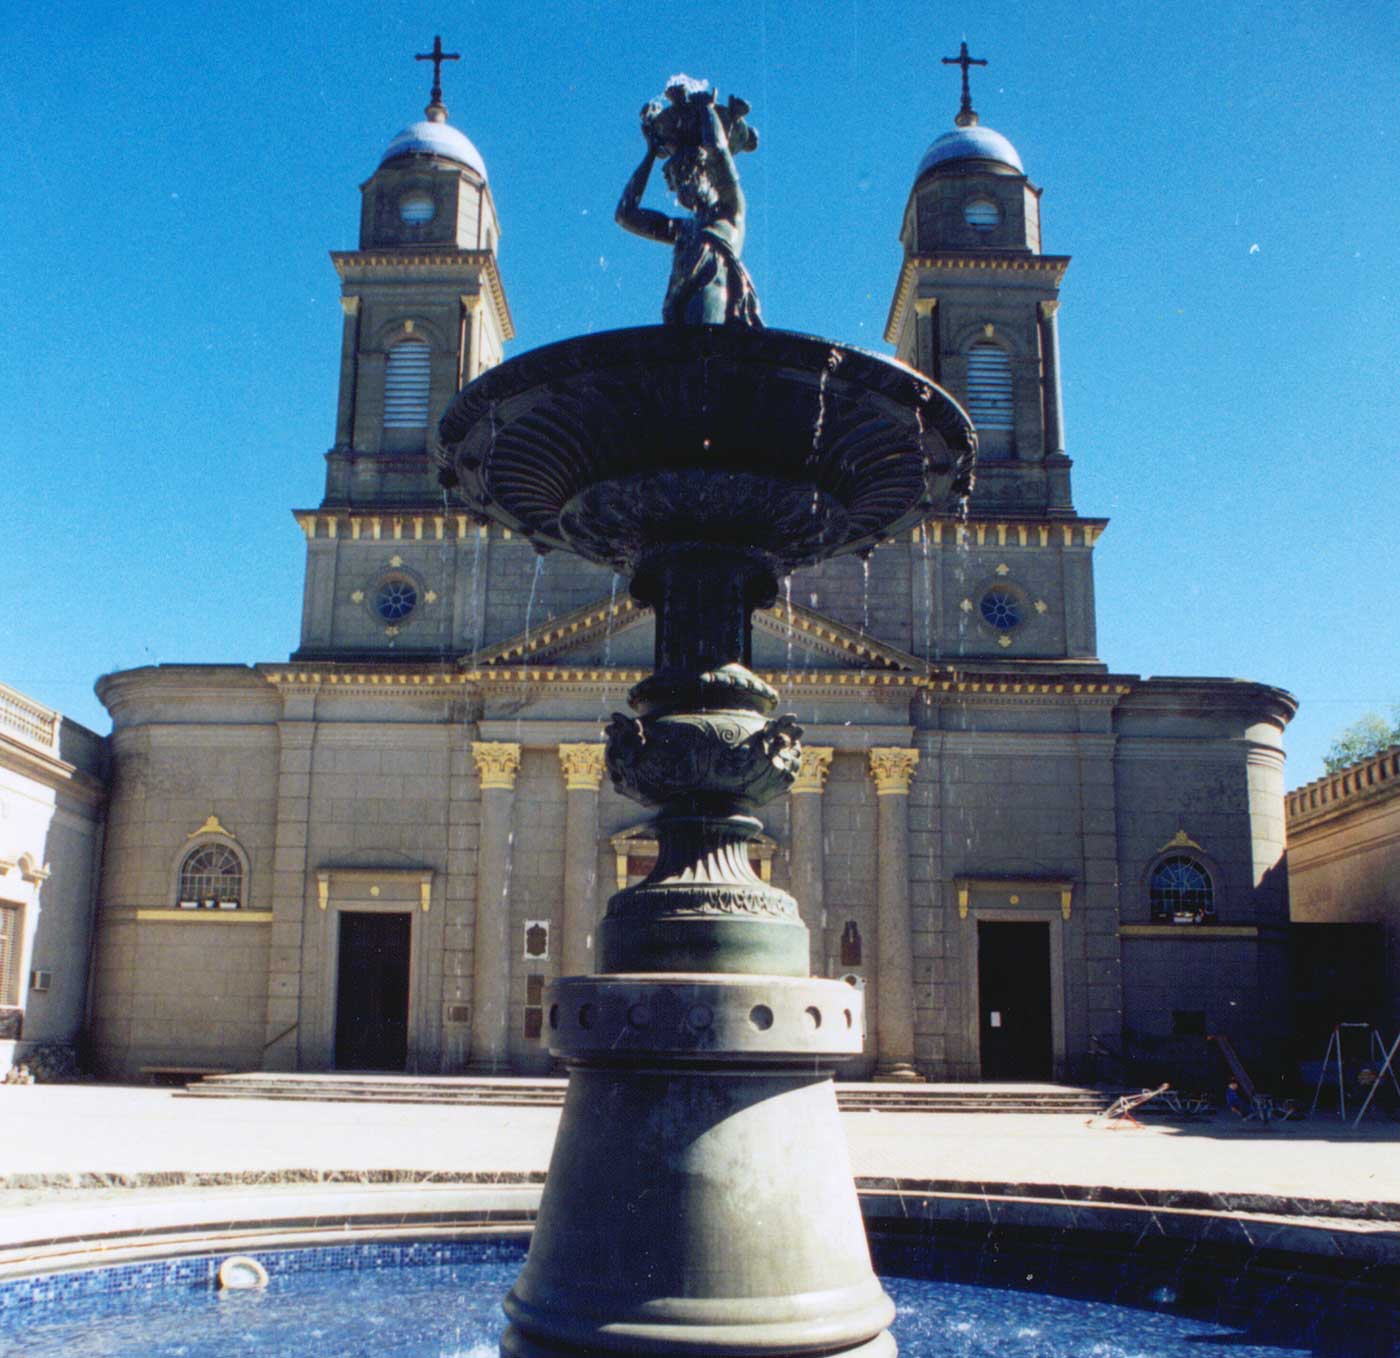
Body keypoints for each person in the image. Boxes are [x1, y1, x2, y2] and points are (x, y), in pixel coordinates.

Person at [616, 84, 763, 329]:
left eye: (686, 176)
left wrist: (706, 109)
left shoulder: (730, 210)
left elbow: (717, 149)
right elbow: (625, 214)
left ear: (707, 175)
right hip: (677, 311)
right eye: (674, 182)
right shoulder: (683, 230)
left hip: (713, 309)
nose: (680, 187)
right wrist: (651, 152)